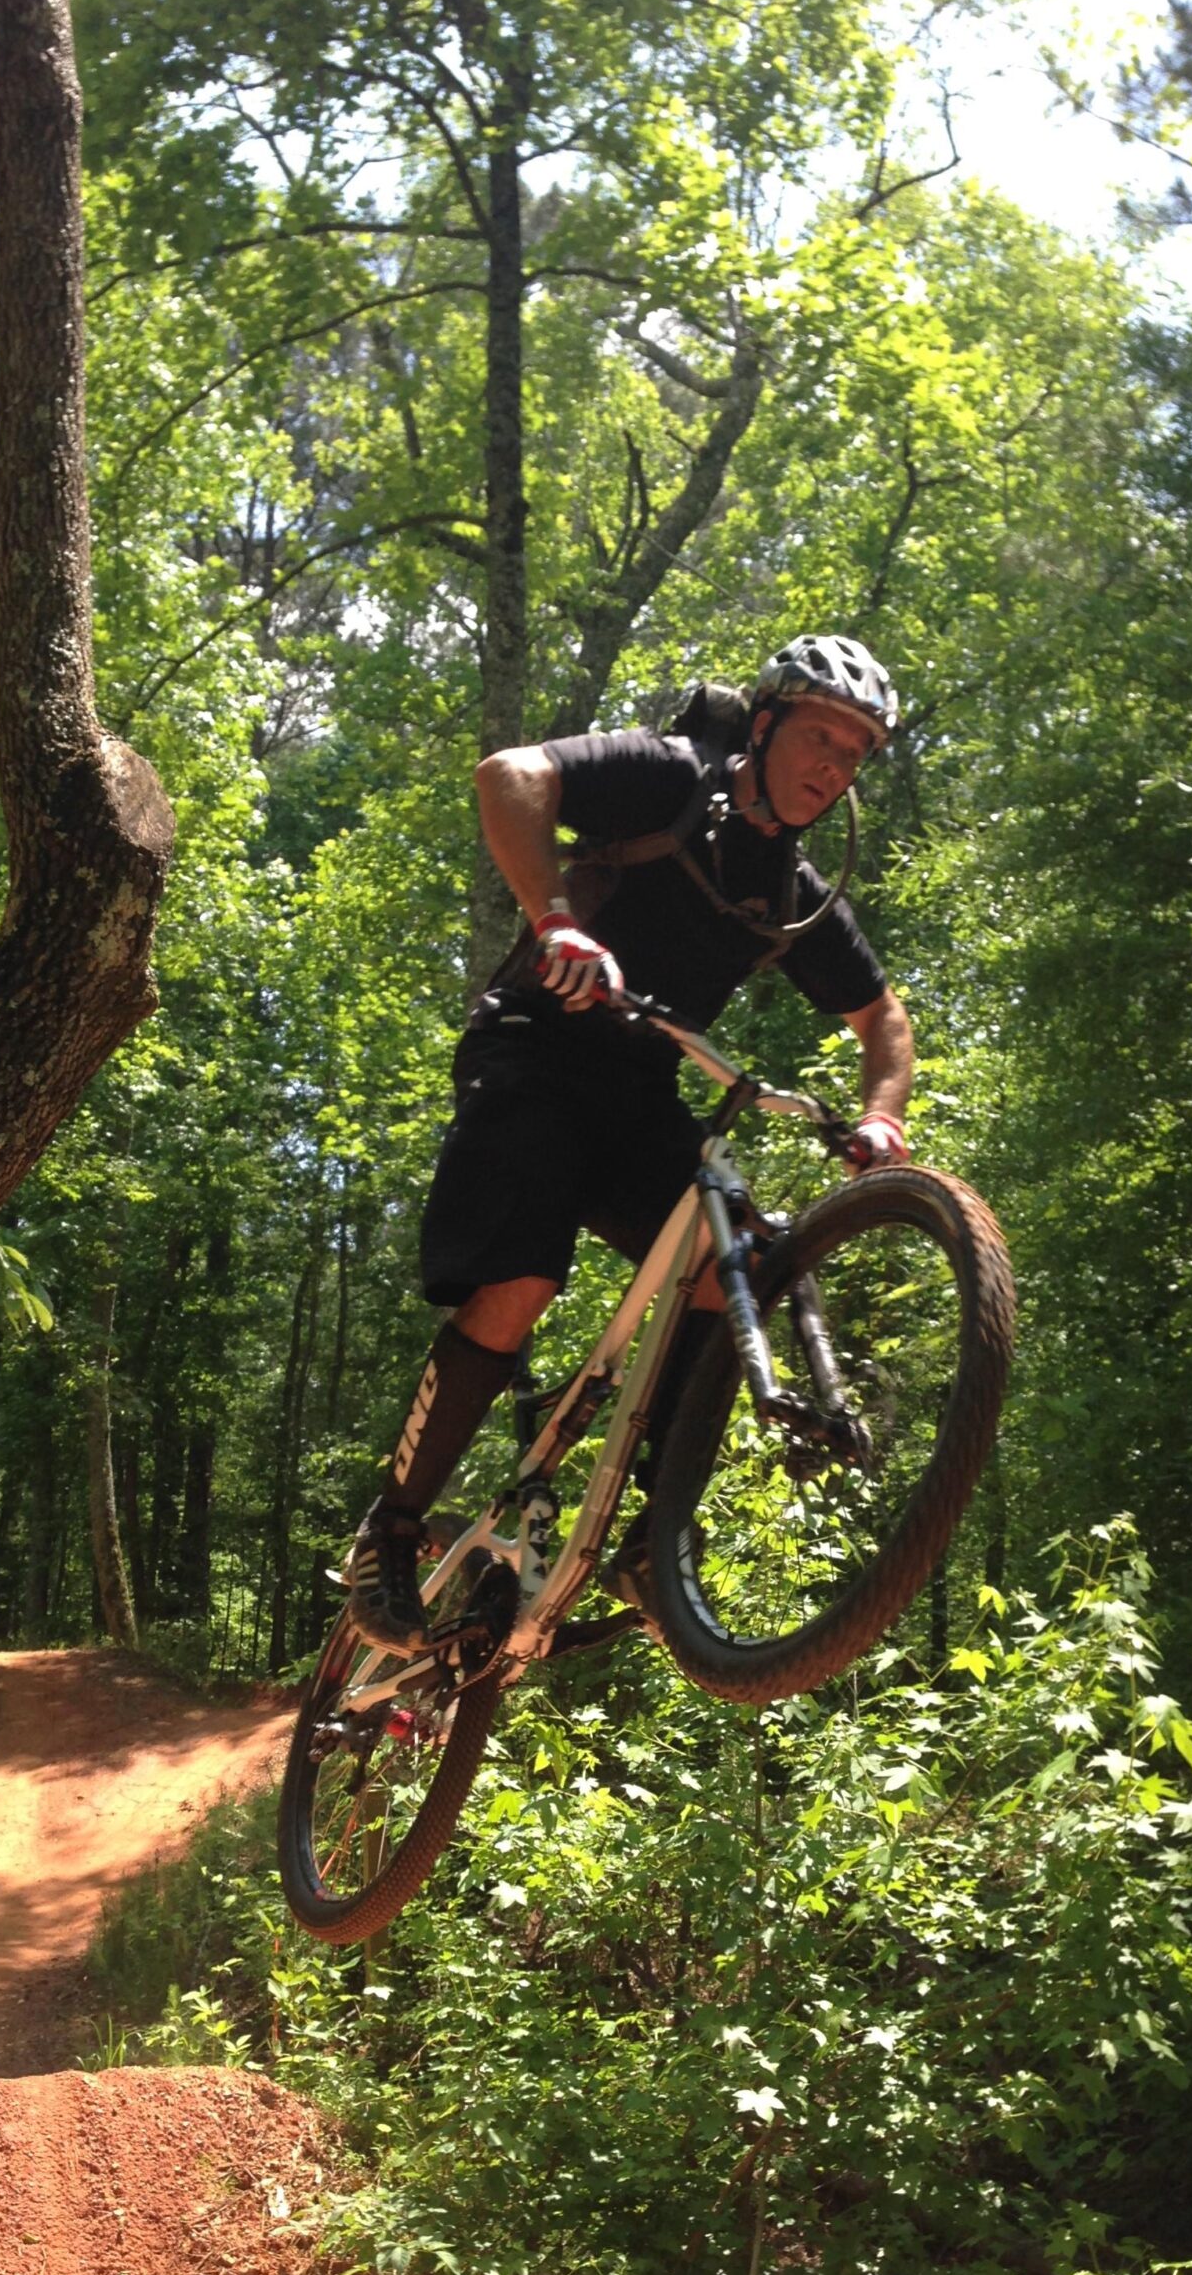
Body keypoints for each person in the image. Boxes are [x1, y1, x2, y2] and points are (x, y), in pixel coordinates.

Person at [345, 632, 916, 1656]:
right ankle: (388, 1530)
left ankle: (653, 1537)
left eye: (856, 753)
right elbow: (510, 776)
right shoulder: (670, 779)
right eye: (822, 735)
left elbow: (885, 1021)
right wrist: (555, 919)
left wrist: (882, 1116)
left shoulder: (794, 889)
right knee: (519, 1284)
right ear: (770, 721)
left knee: (729, 1254)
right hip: (532, 1050)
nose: (834, 766)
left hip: (641, 1088)